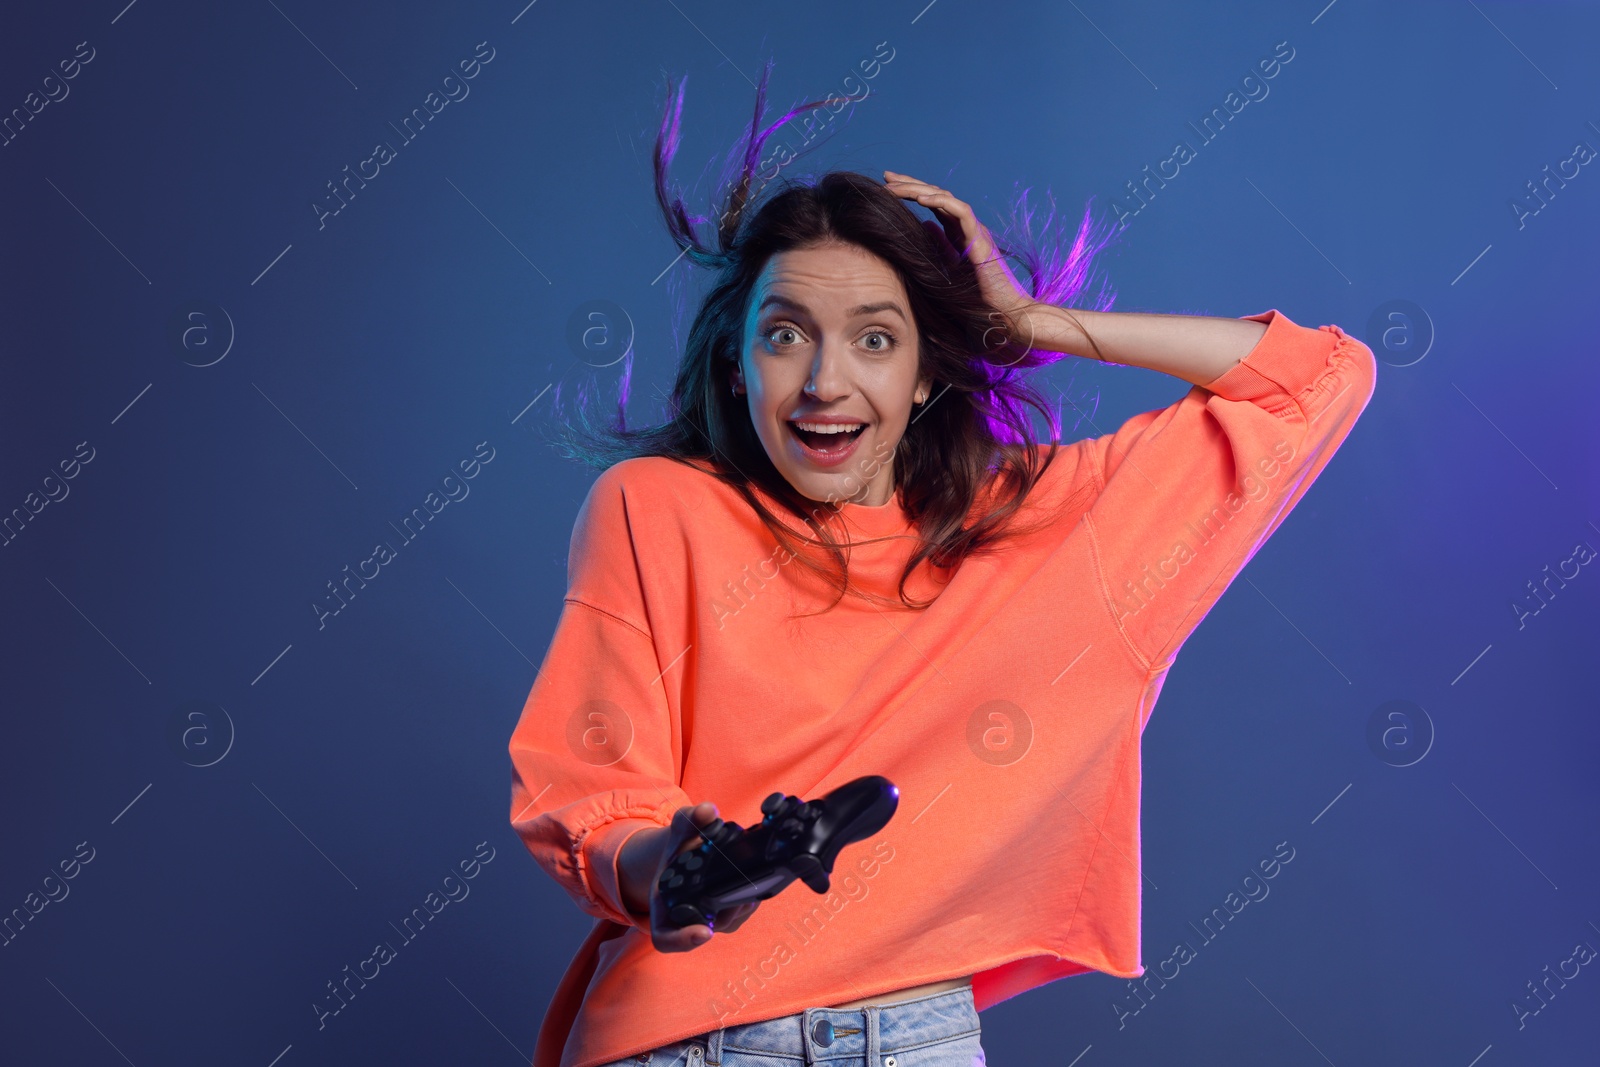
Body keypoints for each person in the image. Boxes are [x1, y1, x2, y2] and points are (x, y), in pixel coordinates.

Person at [507, 67, 1377, 1067]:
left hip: (914, 1040)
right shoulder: (658, 507)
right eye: (785, 335)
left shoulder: (1051, 523)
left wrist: (1034, 323)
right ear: (737, 358)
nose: (824, 382)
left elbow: (1317, 381)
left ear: (925, 369)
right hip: (690, 1040)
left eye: (874, 339)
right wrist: (687, 870)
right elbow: (593, 790)